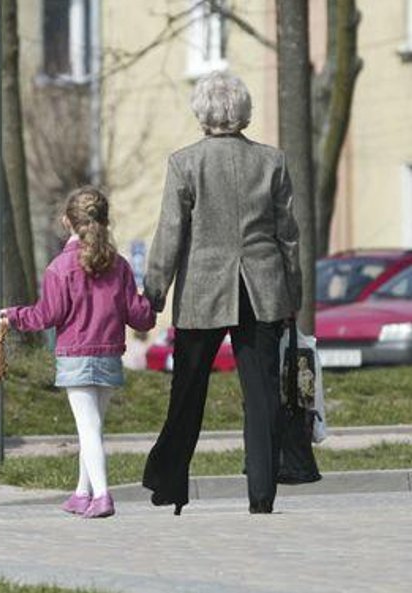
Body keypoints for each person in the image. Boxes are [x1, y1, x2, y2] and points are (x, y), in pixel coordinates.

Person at [141, 71, 301, 515]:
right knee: (263, 393)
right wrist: (293, 293)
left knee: (188, 390)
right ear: (243, 113)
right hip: (262, 288)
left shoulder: (184, 163)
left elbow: (170, 233)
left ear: (202, 113)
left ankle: (170, 484)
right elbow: (288, 235)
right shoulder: (273, 162)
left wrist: (154, 290)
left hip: (202, 291)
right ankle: (262, 493)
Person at [0, 186, 156, 519]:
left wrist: (13, 315)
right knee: (93, 427)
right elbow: (139, 315)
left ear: (66, 222)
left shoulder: (60, 267)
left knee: (87, 429)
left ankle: (102, 495)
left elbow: (47, 316)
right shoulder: (120, 266)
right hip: (110, 354)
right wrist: (152, 300)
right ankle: (81, 492)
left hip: (75, 355)